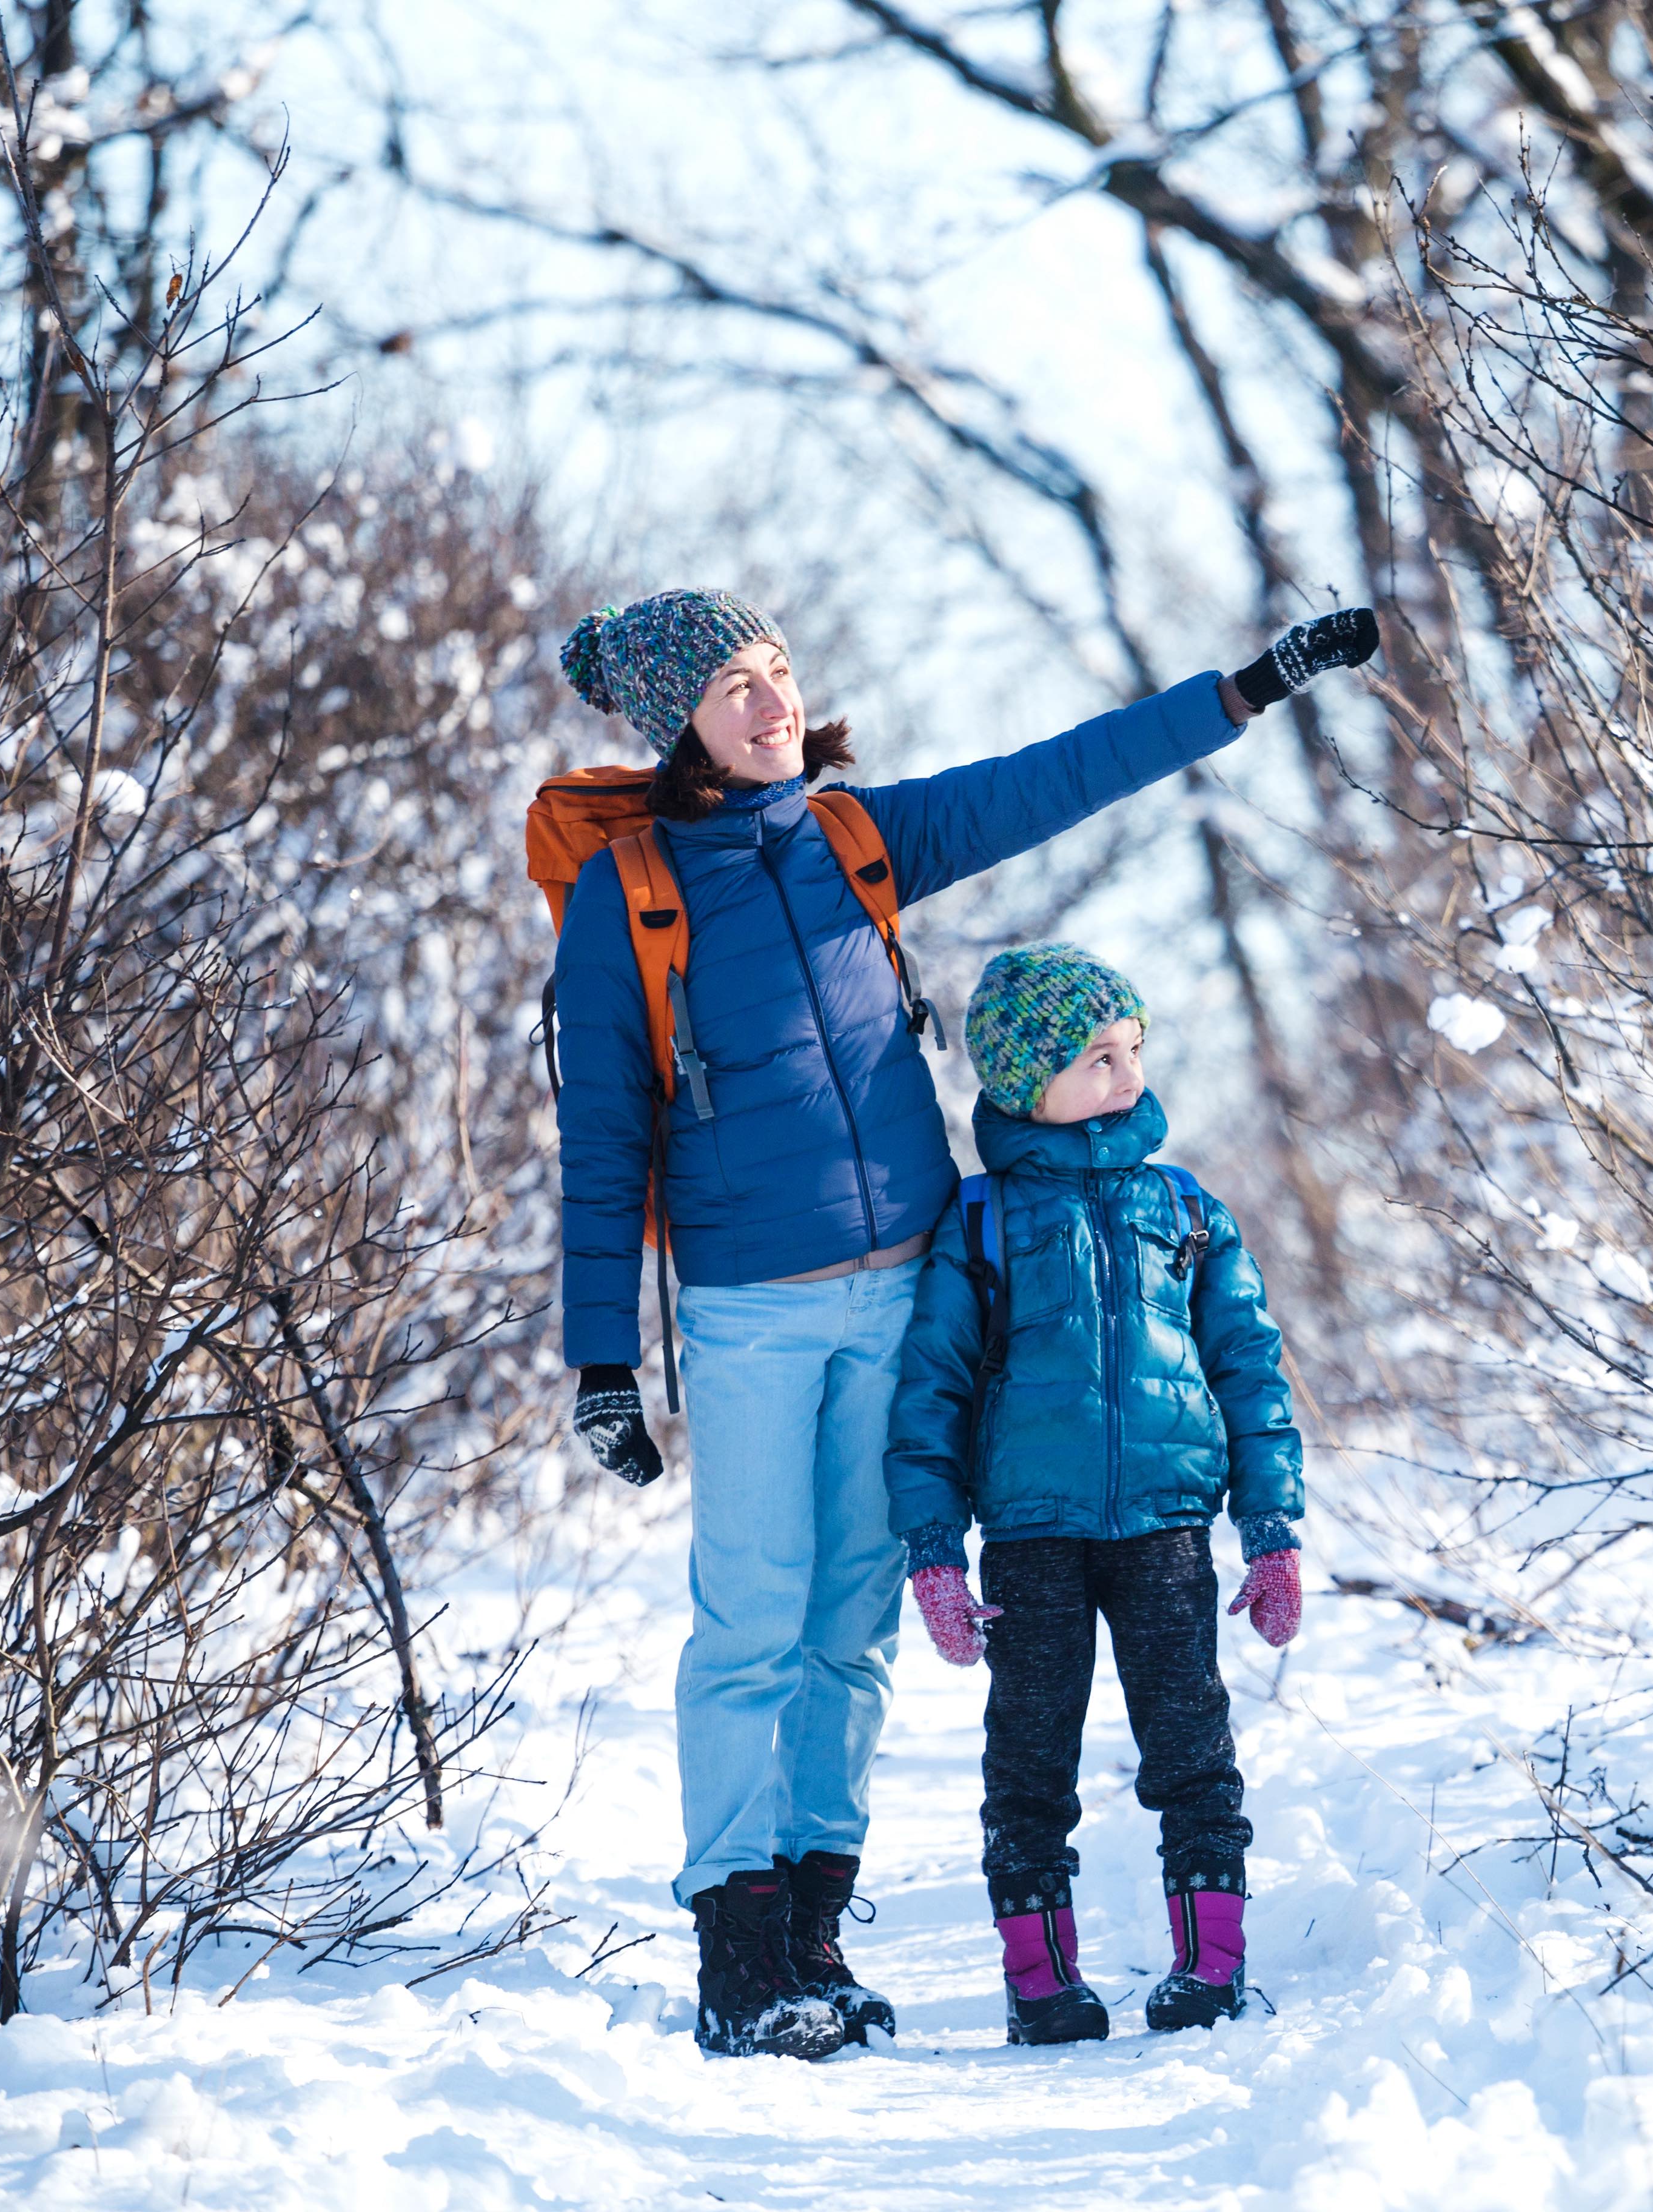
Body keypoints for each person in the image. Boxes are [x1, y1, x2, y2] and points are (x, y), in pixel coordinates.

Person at [550, 591, 1373, 2060]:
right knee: (754, 1618)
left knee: (855, 1625)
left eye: (780, 671)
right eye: (733, 686)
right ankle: (739, 1956)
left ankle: (814, 1926)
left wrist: (1244, 690)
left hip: (911, 1287)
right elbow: (604, 1133)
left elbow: (1060, 775)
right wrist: (601, 1358)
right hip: (748, 1306)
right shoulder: (630, 895)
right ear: (679, 720)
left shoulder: (860, 841)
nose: (769, 703)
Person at [883, 944, 1306, 2047]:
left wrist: (1270, 1531)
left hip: (1167, 1530)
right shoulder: (980, 1222)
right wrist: (932, 1550)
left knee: (1193, 1747)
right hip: (1030, 1537)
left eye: (1133, 1050)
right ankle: (1042, 1983)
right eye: (1094, 1058)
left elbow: (1249, 1369)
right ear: (1024, 1085)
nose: (1126, 1075)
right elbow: (927, 1393)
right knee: (1029, 1758)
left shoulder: (1185, 1206)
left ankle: (1212, 1966)